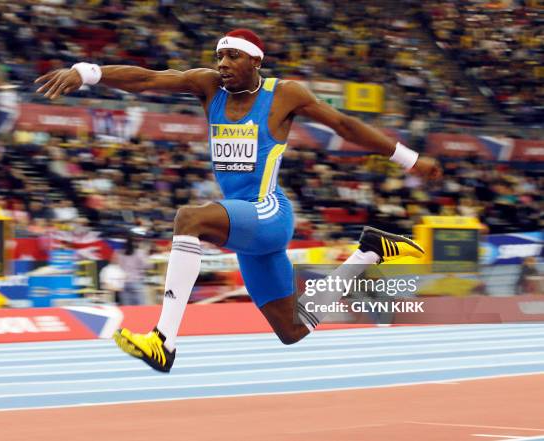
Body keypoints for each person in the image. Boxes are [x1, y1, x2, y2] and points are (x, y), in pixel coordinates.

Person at [35, 29, 442, 373]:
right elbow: (149, 80)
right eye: (219, 56)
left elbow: (343, 125)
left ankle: (164, 341)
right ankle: (369, 252)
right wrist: (87, 72)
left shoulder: (284, 94)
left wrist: (409, 159)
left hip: (269, 213)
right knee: (292, 330)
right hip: (247, 228)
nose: (222, 64)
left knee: (189, 218)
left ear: (255, 61)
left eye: (232, 56)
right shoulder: (207, 86)